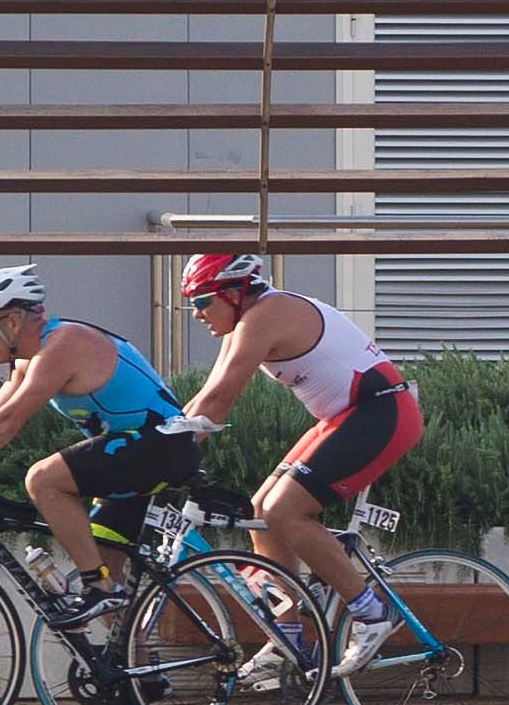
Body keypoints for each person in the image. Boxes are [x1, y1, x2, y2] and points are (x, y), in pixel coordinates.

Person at [0, 263, 203, 622]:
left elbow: (10, 421)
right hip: (135, 452)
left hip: (161, 448)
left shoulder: (63, 345)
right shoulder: (28, 359)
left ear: (11, 322)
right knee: (107, 581)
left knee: (43, 480)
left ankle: (98, 589)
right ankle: (139, 675)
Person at [174, 252, 423, 676]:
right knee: (261, 511)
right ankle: (285, 638)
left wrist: (160, 453)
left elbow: (218, 404)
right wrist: (162, 438)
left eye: (201, 302)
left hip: (382, 412)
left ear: (234, 293)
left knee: (285, 510)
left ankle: (372, 613)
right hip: (345, 416)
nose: (197, 314)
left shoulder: (264, 317)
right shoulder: (245, 322)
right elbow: (204, 399)